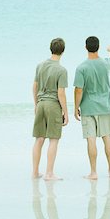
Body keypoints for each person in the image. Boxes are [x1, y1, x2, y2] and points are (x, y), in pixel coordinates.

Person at [73, 36, 110, 180]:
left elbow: (78, 90)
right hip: (104, 106)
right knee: (107, 138)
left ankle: (93, 172)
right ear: (98, 47)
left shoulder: (82, 68)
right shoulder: (105, 64)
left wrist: (76, 107)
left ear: (86, 47)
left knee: (91, 140)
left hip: (88, 107)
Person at [32, 38, 68, 180]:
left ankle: (35, 172)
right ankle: (49, 173)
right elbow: (61, 93)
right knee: (53, 139)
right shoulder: (61, 70)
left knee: (39, 139)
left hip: (40, 103)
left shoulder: (40, 66)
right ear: (63, 51)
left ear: (50, 49)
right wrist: (65, 111)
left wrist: (36, 104)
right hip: (53, 105)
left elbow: (34, 86)